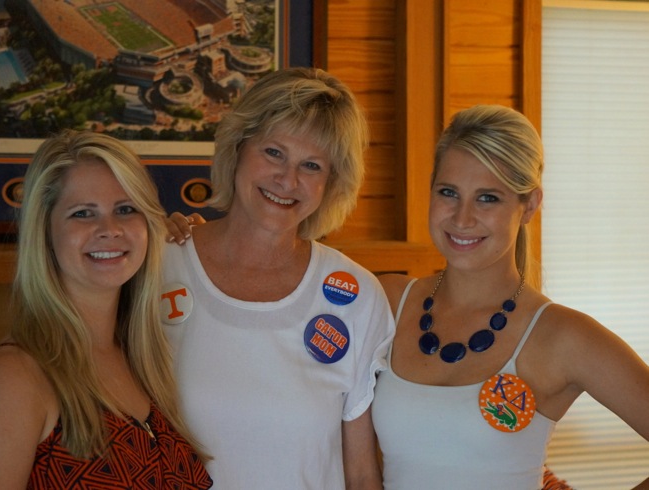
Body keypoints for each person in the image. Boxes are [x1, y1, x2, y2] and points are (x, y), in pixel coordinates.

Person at [371, 104, 649, 489]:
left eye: (488, 198)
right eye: (449, 192)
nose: (462, 218)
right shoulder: (387, 300)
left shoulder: (563, 336)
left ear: (530, 205)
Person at [159, 67, 395, 489]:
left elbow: (360, 473)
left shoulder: (356, 295)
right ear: (237, 147)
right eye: (273, 153)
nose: (288, 180)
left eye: (311, 165)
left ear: (331, 183)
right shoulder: (158, 267)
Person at [0, 130, 213, 489]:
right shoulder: (12, 378)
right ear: (45, 232)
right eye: (82, 213)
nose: (110, 229)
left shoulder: (147, 362)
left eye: (126, 209)